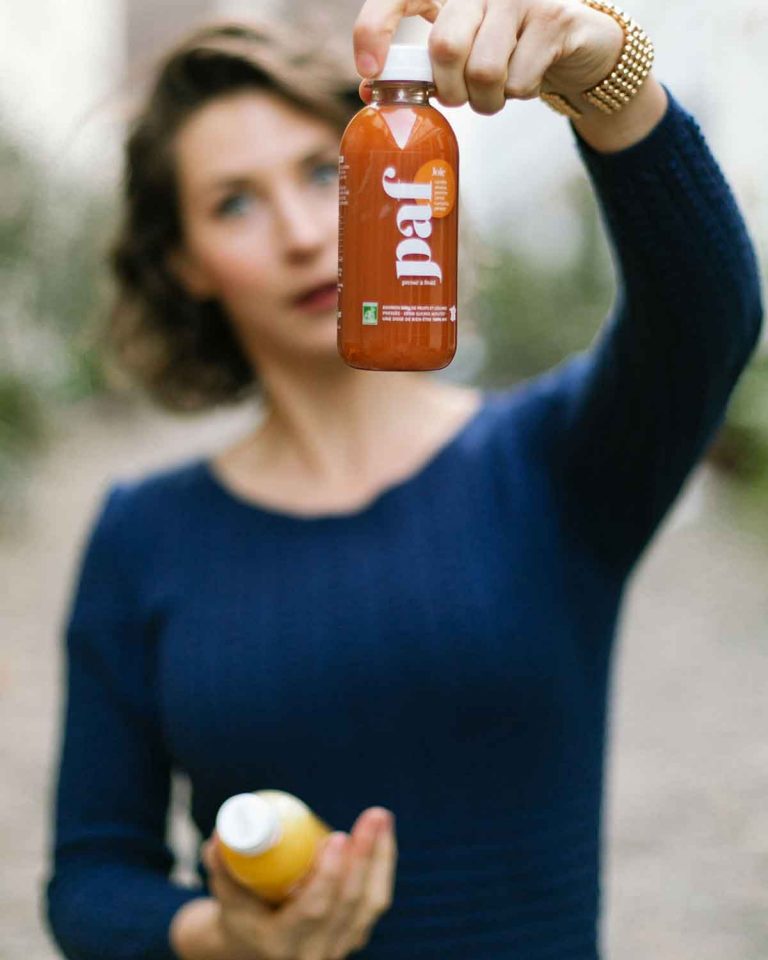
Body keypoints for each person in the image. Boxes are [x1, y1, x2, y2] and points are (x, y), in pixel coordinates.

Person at [44, 1, 763, 959]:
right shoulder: (142, 537)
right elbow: (89, 878)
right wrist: (219, 935)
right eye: (234, 203)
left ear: (392, 177)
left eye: (320, 172)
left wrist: (608, 82)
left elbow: (705, 320)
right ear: (186, 265)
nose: (302, 233)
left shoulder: (552, 464)